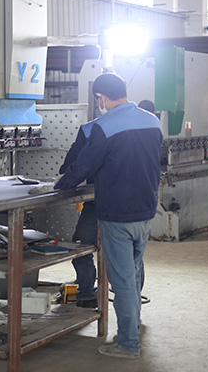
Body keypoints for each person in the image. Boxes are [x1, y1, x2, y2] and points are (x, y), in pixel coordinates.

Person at [54, 73, 163, 359]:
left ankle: (128, 344)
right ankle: (132, 328)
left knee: (122, 281)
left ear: (101, 98)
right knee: (133, 272)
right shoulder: (152, 122)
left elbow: (81, 167)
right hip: (146, 211)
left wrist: (58, 186)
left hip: (117, 214)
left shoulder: (104, 126)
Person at [59, 120, 98, 309]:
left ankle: (89, 293)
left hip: (105, 201)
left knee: (82, 245)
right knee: (81, 245)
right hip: (132, 202)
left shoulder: (91, 128)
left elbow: (73, 166)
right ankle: (88, 293)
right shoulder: (145, 122)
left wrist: (63, 182)